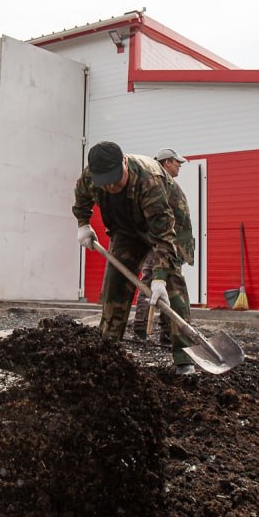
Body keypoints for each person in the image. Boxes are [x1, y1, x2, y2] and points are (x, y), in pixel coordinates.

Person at [74, 141, 196, 374]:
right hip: (127, 227)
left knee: (173, 283)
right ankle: (107, 348)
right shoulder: (93, 174)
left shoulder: (149, 180)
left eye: (114, 178)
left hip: (169, 228)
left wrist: (159, 278)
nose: (110, 186)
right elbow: (82, 196)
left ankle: (184, 357)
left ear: (123, 163)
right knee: (116, 281)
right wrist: (84, 224)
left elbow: (163, 236)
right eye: (104, 181)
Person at [133, 148, 194, 343]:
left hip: (173, 245)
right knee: (151, 280)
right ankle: (141, 327)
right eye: (177, 163)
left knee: (169, 284)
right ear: (167, 162)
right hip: (159, 244)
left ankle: (168, 330)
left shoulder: (166, 183)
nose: (180, 166)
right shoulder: (154, 182)